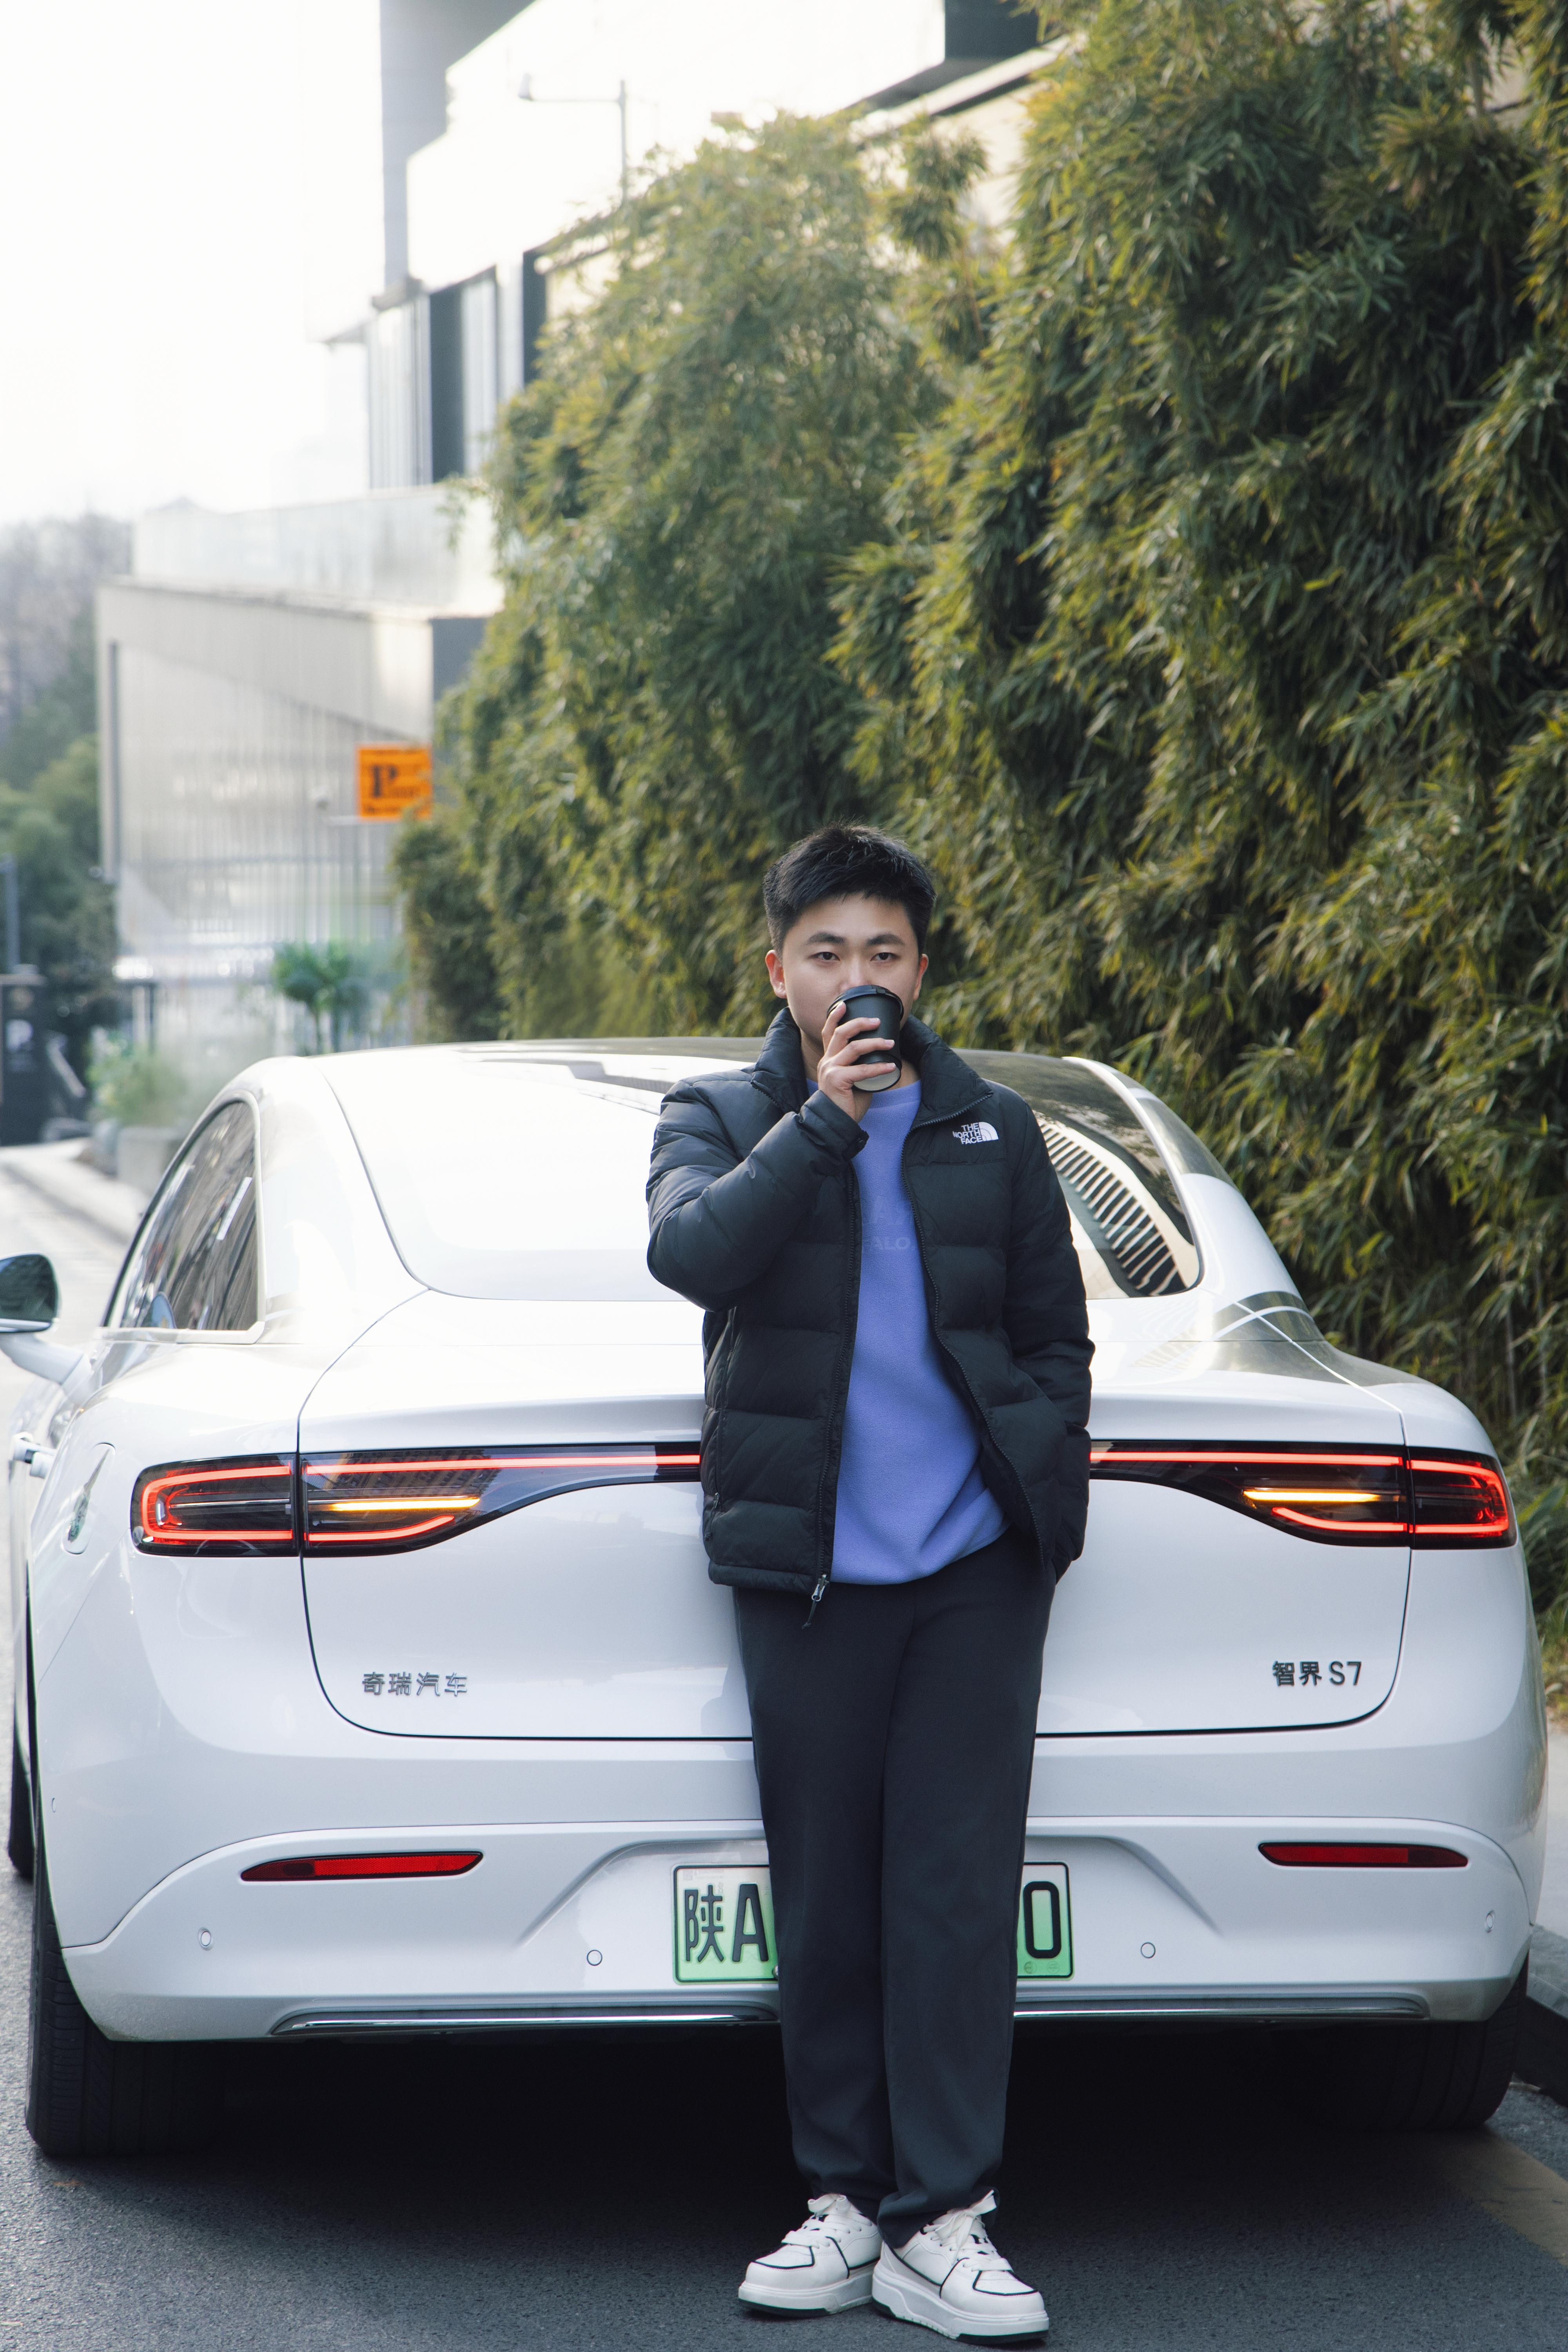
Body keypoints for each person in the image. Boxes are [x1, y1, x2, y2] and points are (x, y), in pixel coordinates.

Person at [646, 825, 1091, 2341]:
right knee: (827, 1895)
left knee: (955, 1900)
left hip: (972, 1567)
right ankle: (843, 2203)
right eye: (826, 952)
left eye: (883, 951)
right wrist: (824, 1122)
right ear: (777, 971)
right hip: (807, 1569)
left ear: (923, 969)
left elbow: (1053, 1336)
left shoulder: (991, 1129)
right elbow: (694, 1257)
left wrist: (1040, 1492)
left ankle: (944, 2222)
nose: (857, 977)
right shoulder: (720, 1116)